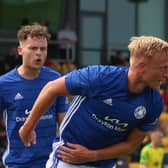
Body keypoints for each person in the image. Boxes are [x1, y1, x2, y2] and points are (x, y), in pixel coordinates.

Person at [19, 36, 168, 168]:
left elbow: (131, 145)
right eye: (164, 68)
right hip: (68, 161)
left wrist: (93, 155)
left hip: (106, 164)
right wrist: (28, 126)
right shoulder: (100, 77)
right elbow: (51, 88)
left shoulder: (154, 102)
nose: (166, 74)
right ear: (142, 67)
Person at [0, 24, 69, 168]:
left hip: (51, 162)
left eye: (43, 49)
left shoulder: (55, 80)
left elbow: (64, 122)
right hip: (17, 163)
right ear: (20, 50)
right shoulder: (4, 84)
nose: (39, 53)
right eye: (33, 48)